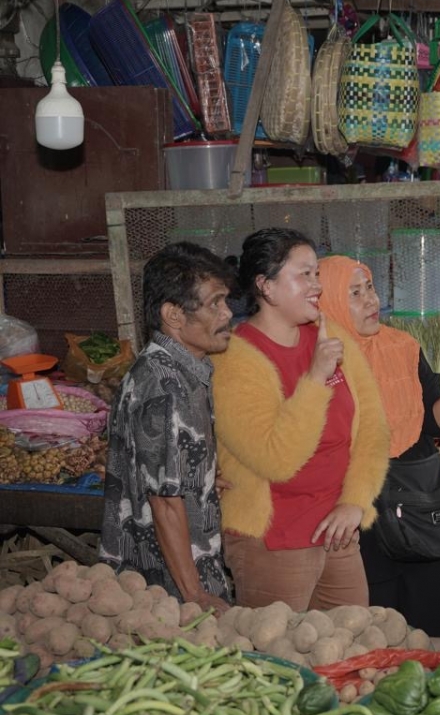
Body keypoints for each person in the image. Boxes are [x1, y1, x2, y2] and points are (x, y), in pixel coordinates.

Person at [213, 228, 390, 610]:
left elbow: (374, 427)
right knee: (281, 659)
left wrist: (355, 501)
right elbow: (277, 460)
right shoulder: (234, 359)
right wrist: (314, 379)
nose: (316, 286)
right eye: (303, 275)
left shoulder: (329, 335)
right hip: (273, 541)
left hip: (337, 531)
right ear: (266, 287)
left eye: (316, 275)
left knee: (352, 645)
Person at [317, 256, 440, 636]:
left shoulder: (402, 346)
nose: (371, 301)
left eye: (371, 288)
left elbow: (435, 424)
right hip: (363, 514)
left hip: (418, 507)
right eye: (354, 293)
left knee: (432, 625)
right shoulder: (321, 362)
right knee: (380, 628)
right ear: (327, 302)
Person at [99, 243, 237, 613]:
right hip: (167, 591)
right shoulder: (165, 388)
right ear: (173, 315)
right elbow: (164, 503)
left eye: (226, 301)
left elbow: (156, 470)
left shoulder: (174, 369)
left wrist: (201, 477)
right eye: (215, 303)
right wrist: (194, 595)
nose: (228, 313)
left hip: (170, 579)